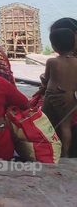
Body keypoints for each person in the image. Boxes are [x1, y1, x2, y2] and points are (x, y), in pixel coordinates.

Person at [42, 29, 77, 158]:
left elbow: (46, 79)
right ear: (74, 44)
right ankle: (65, 154)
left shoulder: (52, 61)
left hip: (52, 95)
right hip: (70, 97)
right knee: (65, 126)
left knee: (47, 124)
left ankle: (49, 150)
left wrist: (43, 85)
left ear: (54, 46)